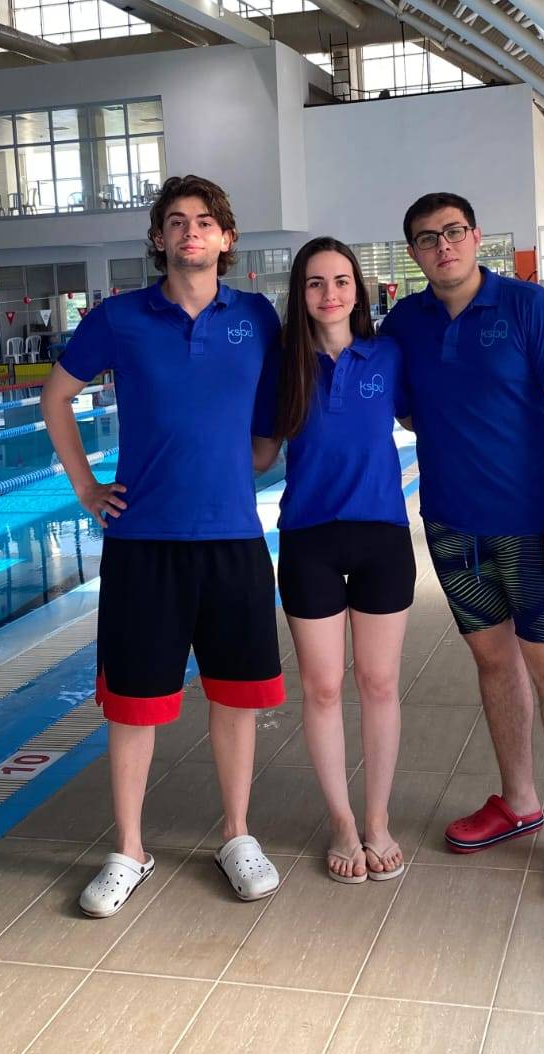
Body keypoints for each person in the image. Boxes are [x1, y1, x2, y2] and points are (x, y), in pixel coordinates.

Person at [40, 174, 285, 916]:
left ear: (226, 237)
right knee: (133, 705)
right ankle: (129, 849)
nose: (190, 232)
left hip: (233, 537)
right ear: (158, 238)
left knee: (235, 699)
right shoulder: (120, 318)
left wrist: (250, 458)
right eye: (176, 221)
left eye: (204, 221)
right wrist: (87, 489)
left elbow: (270, 421)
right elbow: (56, 396)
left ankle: (237, 835)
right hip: (143, 542)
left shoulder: (257, 317)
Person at [382, 193, 544, 901]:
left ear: (476, 236)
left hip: (531, 524)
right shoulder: (407, 322)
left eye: (453, 232)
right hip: (452, 525)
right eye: (427, 239)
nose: (443, 246)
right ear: (414, 253)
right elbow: (406, 410)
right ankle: (518, 800)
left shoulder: (525, 306)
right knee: (492, 660)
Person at [252, 238, 415, 884]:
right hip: (309, 539)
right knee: (322, 687)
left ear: (358, 290)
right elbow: (259, 454)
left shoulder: (388, 355)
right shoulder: (283, 365)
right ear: (301, 293)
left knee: (378, 683)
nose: (330, 294)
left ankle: (377, 819)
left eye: (341, 281)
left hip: (383, 537)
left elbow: (430, 416)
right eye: (315, 283)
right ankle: (343, 822)